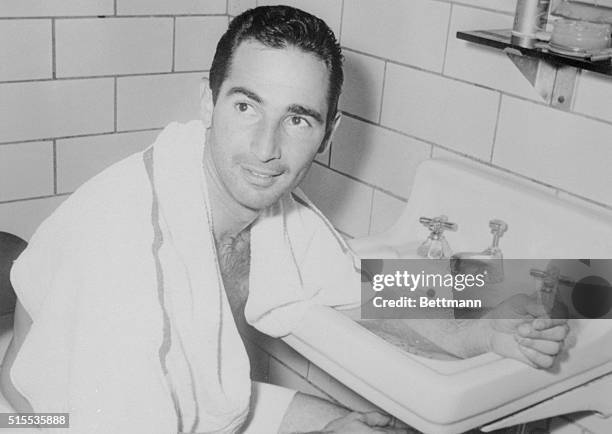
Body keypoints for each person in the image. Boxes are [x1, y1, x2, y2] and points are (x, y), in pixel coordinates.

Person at [0, 6, 568, 434]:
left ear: (329, 134)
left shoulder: (266, 213)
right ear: (207, 102)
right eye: (246, 106)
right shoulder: (131, 260)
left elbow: (373, 285)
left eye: (297, 119)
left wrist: (487, 318)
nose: (266, 148)